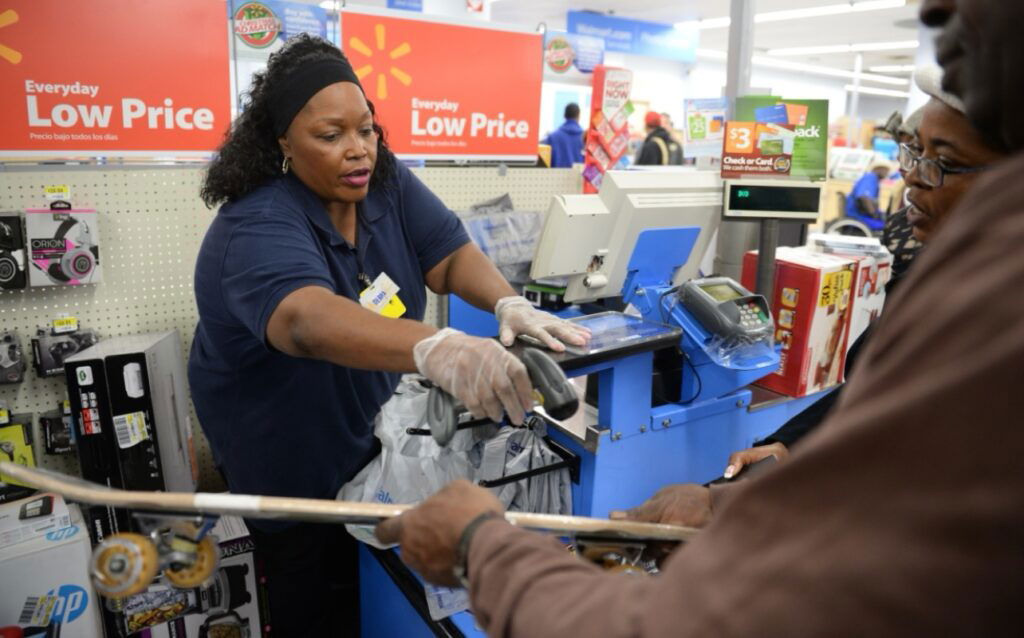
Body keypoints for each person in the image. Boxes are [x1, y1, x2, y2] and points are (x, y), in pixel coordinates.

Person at [373, 0, 1024, 633]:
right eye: (910, 154)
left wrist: (483, 550)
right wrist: (723, 498)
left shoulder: (995, 317)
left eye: (943, 164)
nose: (936, 9)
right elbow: (873, 449)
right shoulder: (966, 273)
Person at [189, 34, 589, 635]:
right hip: (292, 463)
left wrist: (507, 301)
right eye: (331, 136)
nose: (359, 152)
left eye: (367, 130)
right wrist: (436, 346)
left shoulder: (385, 184)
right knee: (321, 606)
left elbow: (447, 254)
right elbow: (306, 321)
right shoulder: (255, 224)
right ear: (282, 146)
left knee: (383, 596)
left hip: (369, 442)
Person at [724, 67, 1001, 476]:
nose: (910, 175)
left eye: (941, 162)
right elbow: (874, 393)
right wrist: (787, 446)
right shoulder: (934, 274)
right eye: (914, 154)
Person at [844, 162, 892, 230]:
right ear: (877, 169)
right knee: (887, 227)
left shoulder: (872, 179)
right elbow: (864, 197)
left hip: (860, 213)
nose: (887, 173)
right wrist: (873, 214)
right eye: (885, 170)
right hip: (858, 216)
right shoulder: (870, 178)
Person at [543, 103, 584, 168]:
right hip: (578, 177)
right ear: (579, 116)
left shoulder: (552, 137)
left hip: (555, 177)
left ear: (564, 115)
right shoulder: (585, 138)